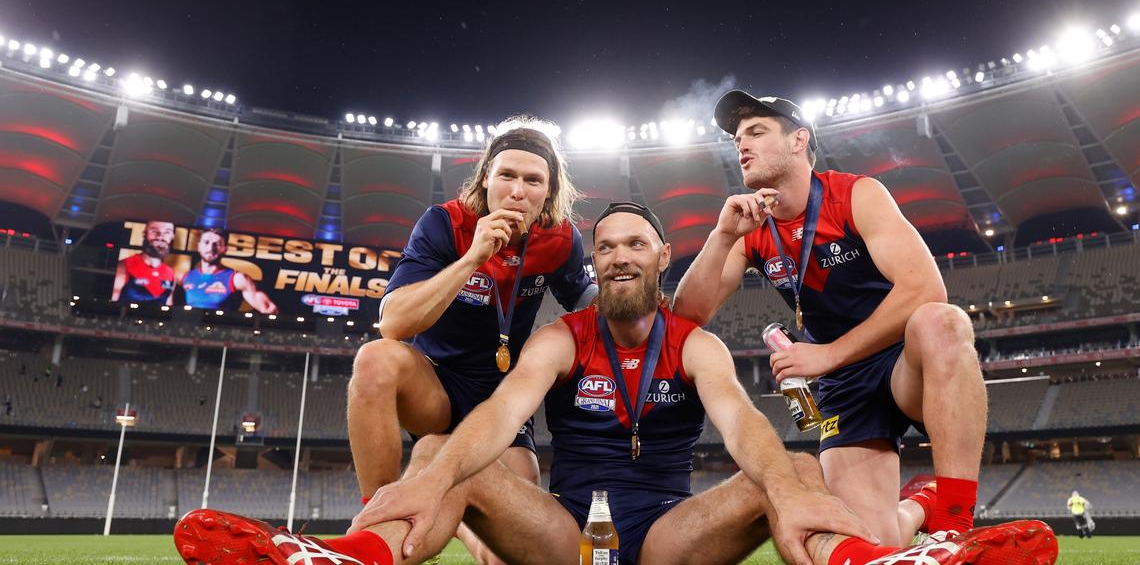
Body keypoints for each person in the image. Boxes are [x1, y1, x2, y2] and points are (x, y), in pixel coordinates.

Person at [173, 202, 1058, 565]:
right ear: (596, 264)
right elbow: (503, 411)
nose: (621, 255)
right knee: (457, 454)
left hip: (668, 537)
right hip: (565, 537)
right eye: (608, 247)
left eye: (637, 243)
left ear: (663, 258)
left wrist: (785, 477)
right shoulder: (565, 336)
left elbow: (745, 424)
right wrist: (425, 480)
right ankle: (357, 560)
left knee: (780, 469)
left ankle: (866, 563)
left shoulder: (693, 341)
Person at [673, 90, 990, 547]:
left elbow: (925, 288)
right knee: (874, 541)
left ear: (799, 140)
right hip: (844, 385)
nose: (742, 145)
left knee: (941, 322)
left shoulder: (854, 194)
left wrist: (828, 355)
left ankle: (954, 528)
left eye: (757, 132)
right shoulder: (753, 228)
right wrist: (722, 237)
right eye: (738, 138)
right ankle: (923, 503)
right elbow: (687, 315)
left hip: (903, 361)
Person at [347, 118, 596, 562]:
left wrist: (638, 294)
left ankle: (456, 516)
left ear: (549, 191)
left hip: (501, 401)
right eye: (507, 175)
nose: (518, 190)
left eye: (533, 180)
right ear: (486, 178)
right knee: (375, 359)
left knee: (509, 547)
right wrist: (471, 258)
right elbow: (393, 324)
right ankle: (373, 528)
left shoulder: (559, 239)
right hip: (436, 388)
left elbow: (590, 304)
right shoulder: (446, 223)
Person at [171, 228, 278, 314]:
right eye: (206, 242)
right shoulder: (184, 277)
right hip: (189, 331)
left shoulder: (236, 278)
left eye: (217, 244)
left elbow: (270, 309)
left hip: (219, 334)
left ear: (224, 249)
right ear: (199, 247)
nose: (211, 248)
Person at [112, 220, 176, 304]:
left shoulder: (171, 273)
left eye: (167, 232)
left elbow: (168, 304)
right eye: (154, 231)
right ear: (144, 234)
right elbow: (113, 302)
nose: (160, 237)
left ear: (172, 236)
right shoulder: (124, 266)